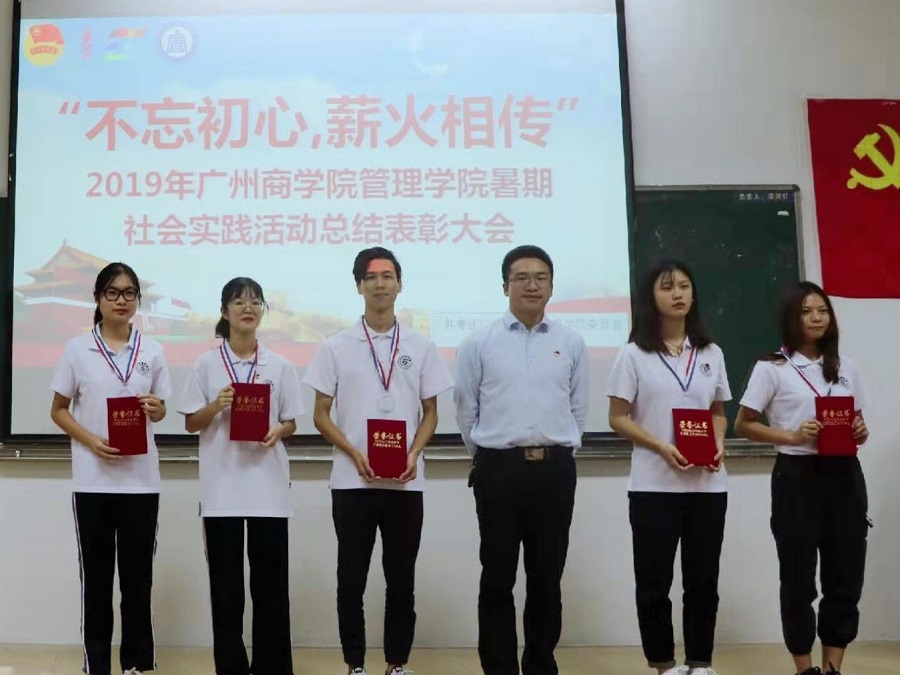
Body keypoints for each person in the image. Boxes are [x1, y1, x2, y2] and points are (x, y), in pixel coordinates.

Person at [303, 247, 453, 675]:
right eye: (371, 277)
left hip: (405, 480)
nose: (380, 284)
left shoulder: (421, 346)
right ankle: (355, 663)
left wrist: (414, 452)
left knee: (401, 579)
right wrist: (353, 451)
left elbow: (431, 412)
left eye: (388, 276)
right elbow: (320, 414)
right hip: (353, 481)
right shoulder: (336, 346)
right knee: (351, 578)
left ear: (399, 284)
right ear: (359, 286)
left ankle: (397, 662)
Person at [454, 244, 587, 675]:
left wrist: (559, 452)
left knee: (547, 577)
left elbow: (578, 408)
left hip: (554, 471)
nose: (532, 285)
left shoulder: (571, 342)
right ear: (505, 285)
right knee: (497, 576)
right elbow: (466, 410)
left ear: (551, 285)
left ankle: (540, 664)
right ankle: (499, 668)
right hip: (499, 470)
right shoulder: (479, 343)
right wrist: (487, 456)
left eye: (540, 277)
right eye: (522, 277)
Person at [735, 281, 870, 675]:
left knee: (844, 575)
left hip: (844, 474)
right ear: (791, 319)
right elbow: (744, 424)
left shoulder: (846, 367)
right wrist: (791, 436)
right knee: (798, 578)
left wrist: (861, 430)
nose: (816, 317)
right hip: (797, 476)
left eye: (822, 310)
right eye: (807, 311)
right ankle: (804, 667)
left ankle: (832, 668)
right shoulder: (772, 367)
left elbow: (858, 423)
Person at [607, 260, 729, 675]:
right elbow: (617, 417)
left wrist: (718, 441)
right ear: (651, 296)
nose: (677, 294)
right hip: (653, 486)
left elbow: (717, 411)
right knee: (654, 582)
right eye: (667, 287)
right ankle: (663, 664)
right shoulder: (633, 354)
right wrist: (660, 446)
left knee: (703, 581)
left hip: (707, 486)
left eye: (684, 286)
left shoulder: (711, 353)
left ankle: (700, 662)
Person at [178, 277, 303, 675]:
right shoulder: (205, 364)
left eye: (255, 301)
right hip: (222, 491)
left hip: (268, 490)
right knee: (226, 591)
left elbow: (291, 422)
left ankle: (272, 668)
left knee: (271, 591)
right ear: (224, 311)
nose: (247, 308)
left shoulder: (280, 365)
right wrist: (216, 405)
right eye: (238, 301)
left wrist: (279, 430)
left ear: (263, 310)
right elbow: (190, 423)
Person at [50, 262, 171, 675]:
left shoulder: (152, 350)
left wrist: (157, 409)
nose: (122, 300)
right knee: (97, 583)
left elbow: (161, 409)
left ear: (138, 299)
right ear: (98, 298)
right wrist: (90, 441)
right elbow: (58, 410)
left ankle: (136, 664)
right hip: (93, 482)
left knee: (138, 584)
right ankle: (96, 665)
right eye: (113, 292)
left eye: (130, 292)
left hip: (141, 483)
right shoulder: (77, 349)